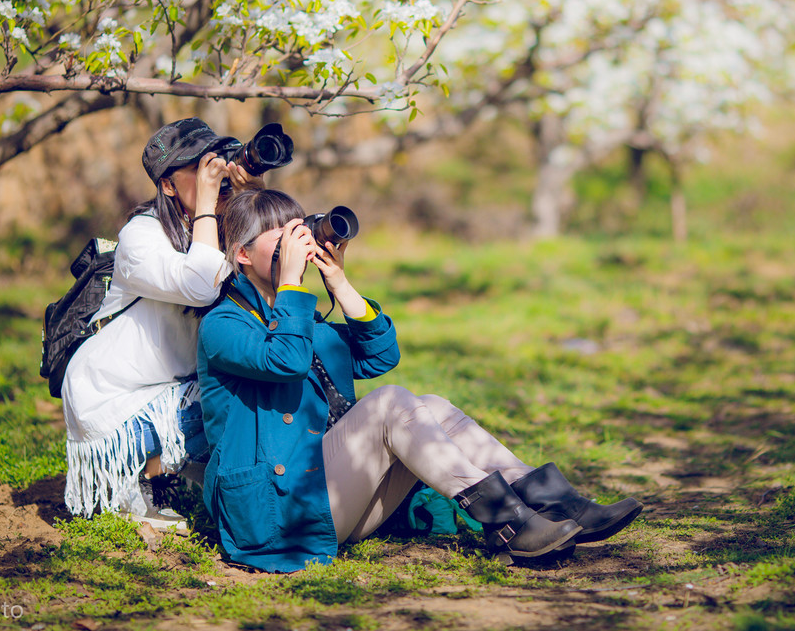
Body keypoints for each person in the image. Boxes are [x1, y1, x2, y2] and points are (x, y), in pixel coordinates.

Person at [197, 189, 643, 573]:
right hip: (276, 517)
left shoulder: (299, 315)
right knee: (390, 404)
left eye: (299, 233)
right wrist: (294, 283)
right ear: (241, 253)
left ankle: (556, 504)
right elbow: (287, 360)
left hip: (327, 498)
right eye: (281, 238)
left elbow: (380, 355)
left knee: (433, 404)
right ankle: (506, 523)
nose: (295, 246)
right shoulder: (223, 326)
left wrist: (338, 281)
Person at [62, 117, 263, 528]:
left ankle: (167, 474)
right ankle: (131, 476)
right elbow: (201, 285)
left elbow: (270, 272)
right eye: (201, 168)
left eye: (220, 161)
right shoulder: (142, 235)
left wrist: (253, 198)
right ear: (168, 185)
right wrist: (208, 204)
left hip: (169, 388)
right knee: (246, 388)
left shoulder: (215, 226)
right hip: (113, 404)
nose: (217, 174)